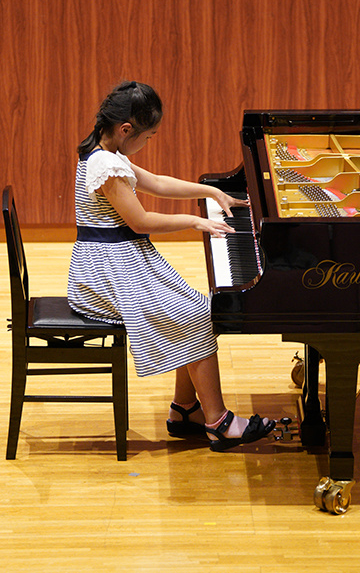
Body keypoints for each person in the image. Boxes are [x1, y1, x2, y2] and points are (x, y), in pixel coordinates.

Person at [67, 80, 275, 451]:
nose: (149, 143)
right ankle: (219, 422)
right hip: (104, 273)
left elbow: (158, 183)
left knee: (196, 309)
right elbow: (141, 222)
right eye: (148, 136)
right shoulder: (104, 165)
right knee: (194, 313)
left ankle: (185, 409)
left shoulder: (108, 152)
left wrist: (210, 191)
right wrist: (194, 221)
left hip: (119, 260)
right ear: (126, 129)